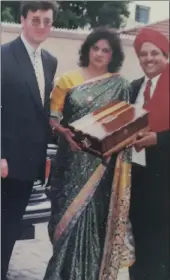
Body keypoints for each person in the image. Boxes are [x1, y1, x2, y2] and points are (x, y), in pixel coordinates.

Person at [44, 27, 135, 280]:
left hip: (101, 168)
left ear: (113, 55)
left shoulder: (121, 86)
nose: (99, 54)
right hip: (69, 162)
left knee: (95, 226)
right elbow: (53, 117)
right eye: (95, 48)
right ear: (87, 49)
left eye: (106, 50)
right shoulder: (68, 80)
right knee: (64, 226)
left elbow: (122, 131)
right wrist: (62, 132)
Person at [1, 1, 57, 278]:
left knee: (10, 226)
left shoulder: (49, 61)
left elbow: (40, 109)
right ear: (22, 20)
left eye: (47, 21)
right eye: (36, 19)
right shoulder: (3, 55)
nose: (41, 26)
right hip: (4, 160)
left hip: (28, 162)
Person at [129, 28, 170, 280]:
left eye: (155, 53)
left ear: (165, 55)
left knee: (162, 252)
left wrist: (159, 139)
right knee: (140, 250)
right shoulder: (135, 87)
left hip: (166, 182)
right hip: (137, 180)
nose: (149, 58)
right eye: (143, 54)